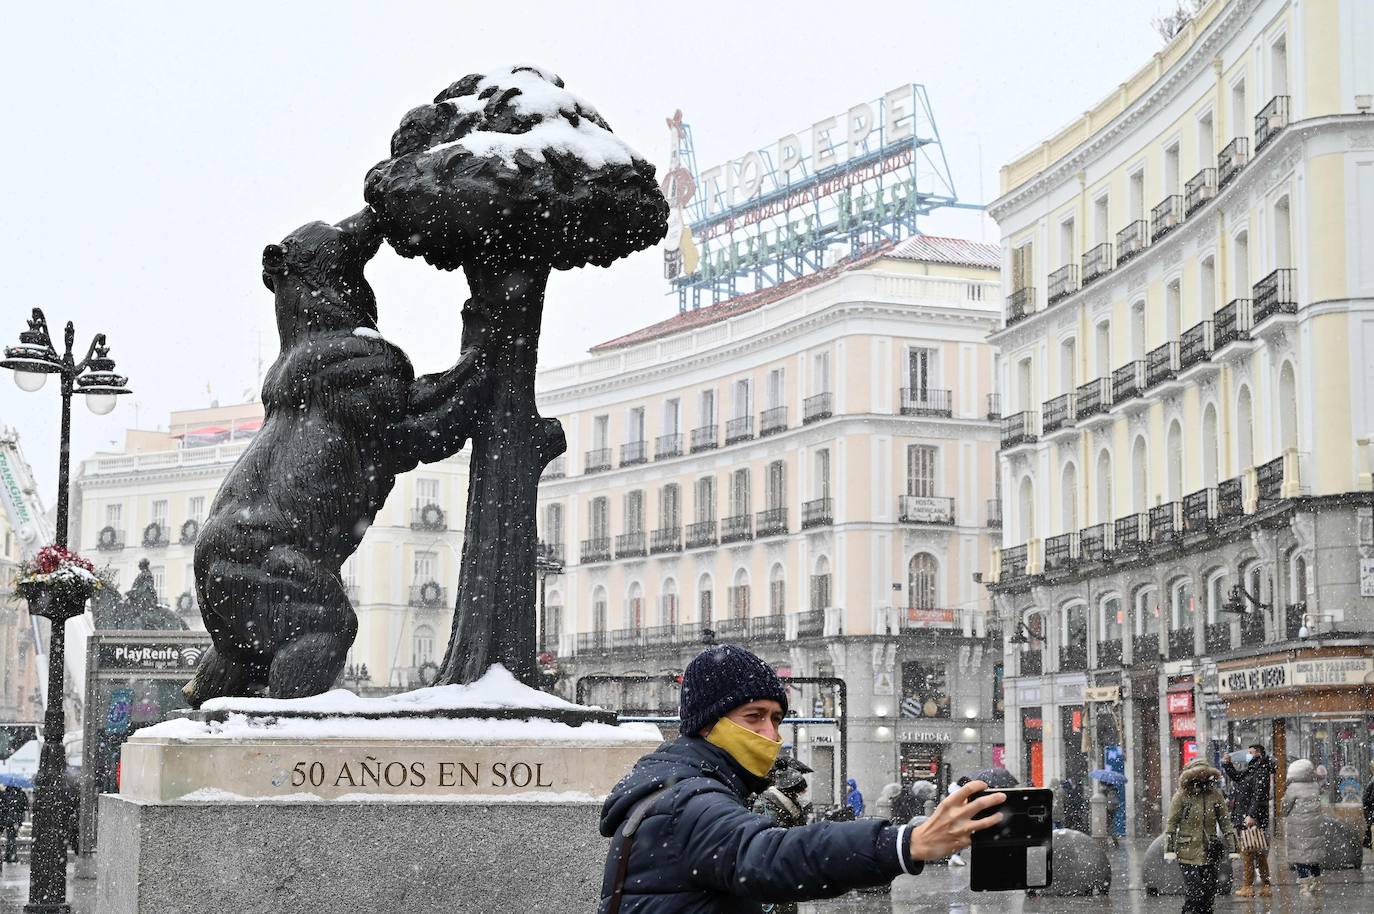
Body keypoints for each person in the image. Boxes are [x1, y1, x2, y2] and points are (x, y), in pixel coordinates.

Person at [598, 644, 1007, 913]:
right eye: (753, 717)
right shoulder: (686, 801)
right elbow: (768, 855)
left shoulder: (681, 785)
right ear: (707, 725)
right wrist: (907, 842)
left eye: (776, 719)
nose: (771, 735)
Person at [1164, 759, 1239, 914]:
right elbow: (1171, 824)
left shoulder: (1215, 796)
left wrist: (1233, 848)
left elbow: (1226, 823)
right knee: (1194, 894)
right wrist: (1169, 848)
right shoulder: (1182, 796)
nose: (1202, 780)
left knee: (1208, 894)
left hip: (1210, 852)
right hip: (1187, 853)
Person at [1221, 744, 1273, 897]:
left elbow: (1259, 796)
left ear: (1259, 754)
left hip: (1251, 818)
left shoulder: (1261, 770)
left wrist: (1251, 815)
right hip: (1248, 816)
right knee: (1257, 852)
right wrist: (1228, 764)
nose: (1248, 755)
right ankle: (1264, 885)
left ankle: (1248, 886)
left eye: (1250, 752)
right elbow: (1237, 777)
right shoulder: (1253, 769)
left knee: (1249, 853)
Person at [1282, 759, 1325, 895]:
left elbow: (1285, 807)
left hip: (1298, 827)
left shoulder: (1293, 788)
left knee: (1301, 856)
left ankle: (1304, 886)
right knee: (1313, 856)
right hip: (1314, 826)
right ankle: (1317, 882)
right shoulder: (1315, 785)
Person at [0, 785, 28, 864]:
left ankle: (9, 855)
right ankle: (12, 856)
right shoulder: (21, 793)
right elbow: (25, 806)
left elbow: (3, 807)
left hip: (7, 819)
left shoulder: (5, 793)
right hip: (16, 819)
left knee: (10, 837)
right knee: (12, 837)